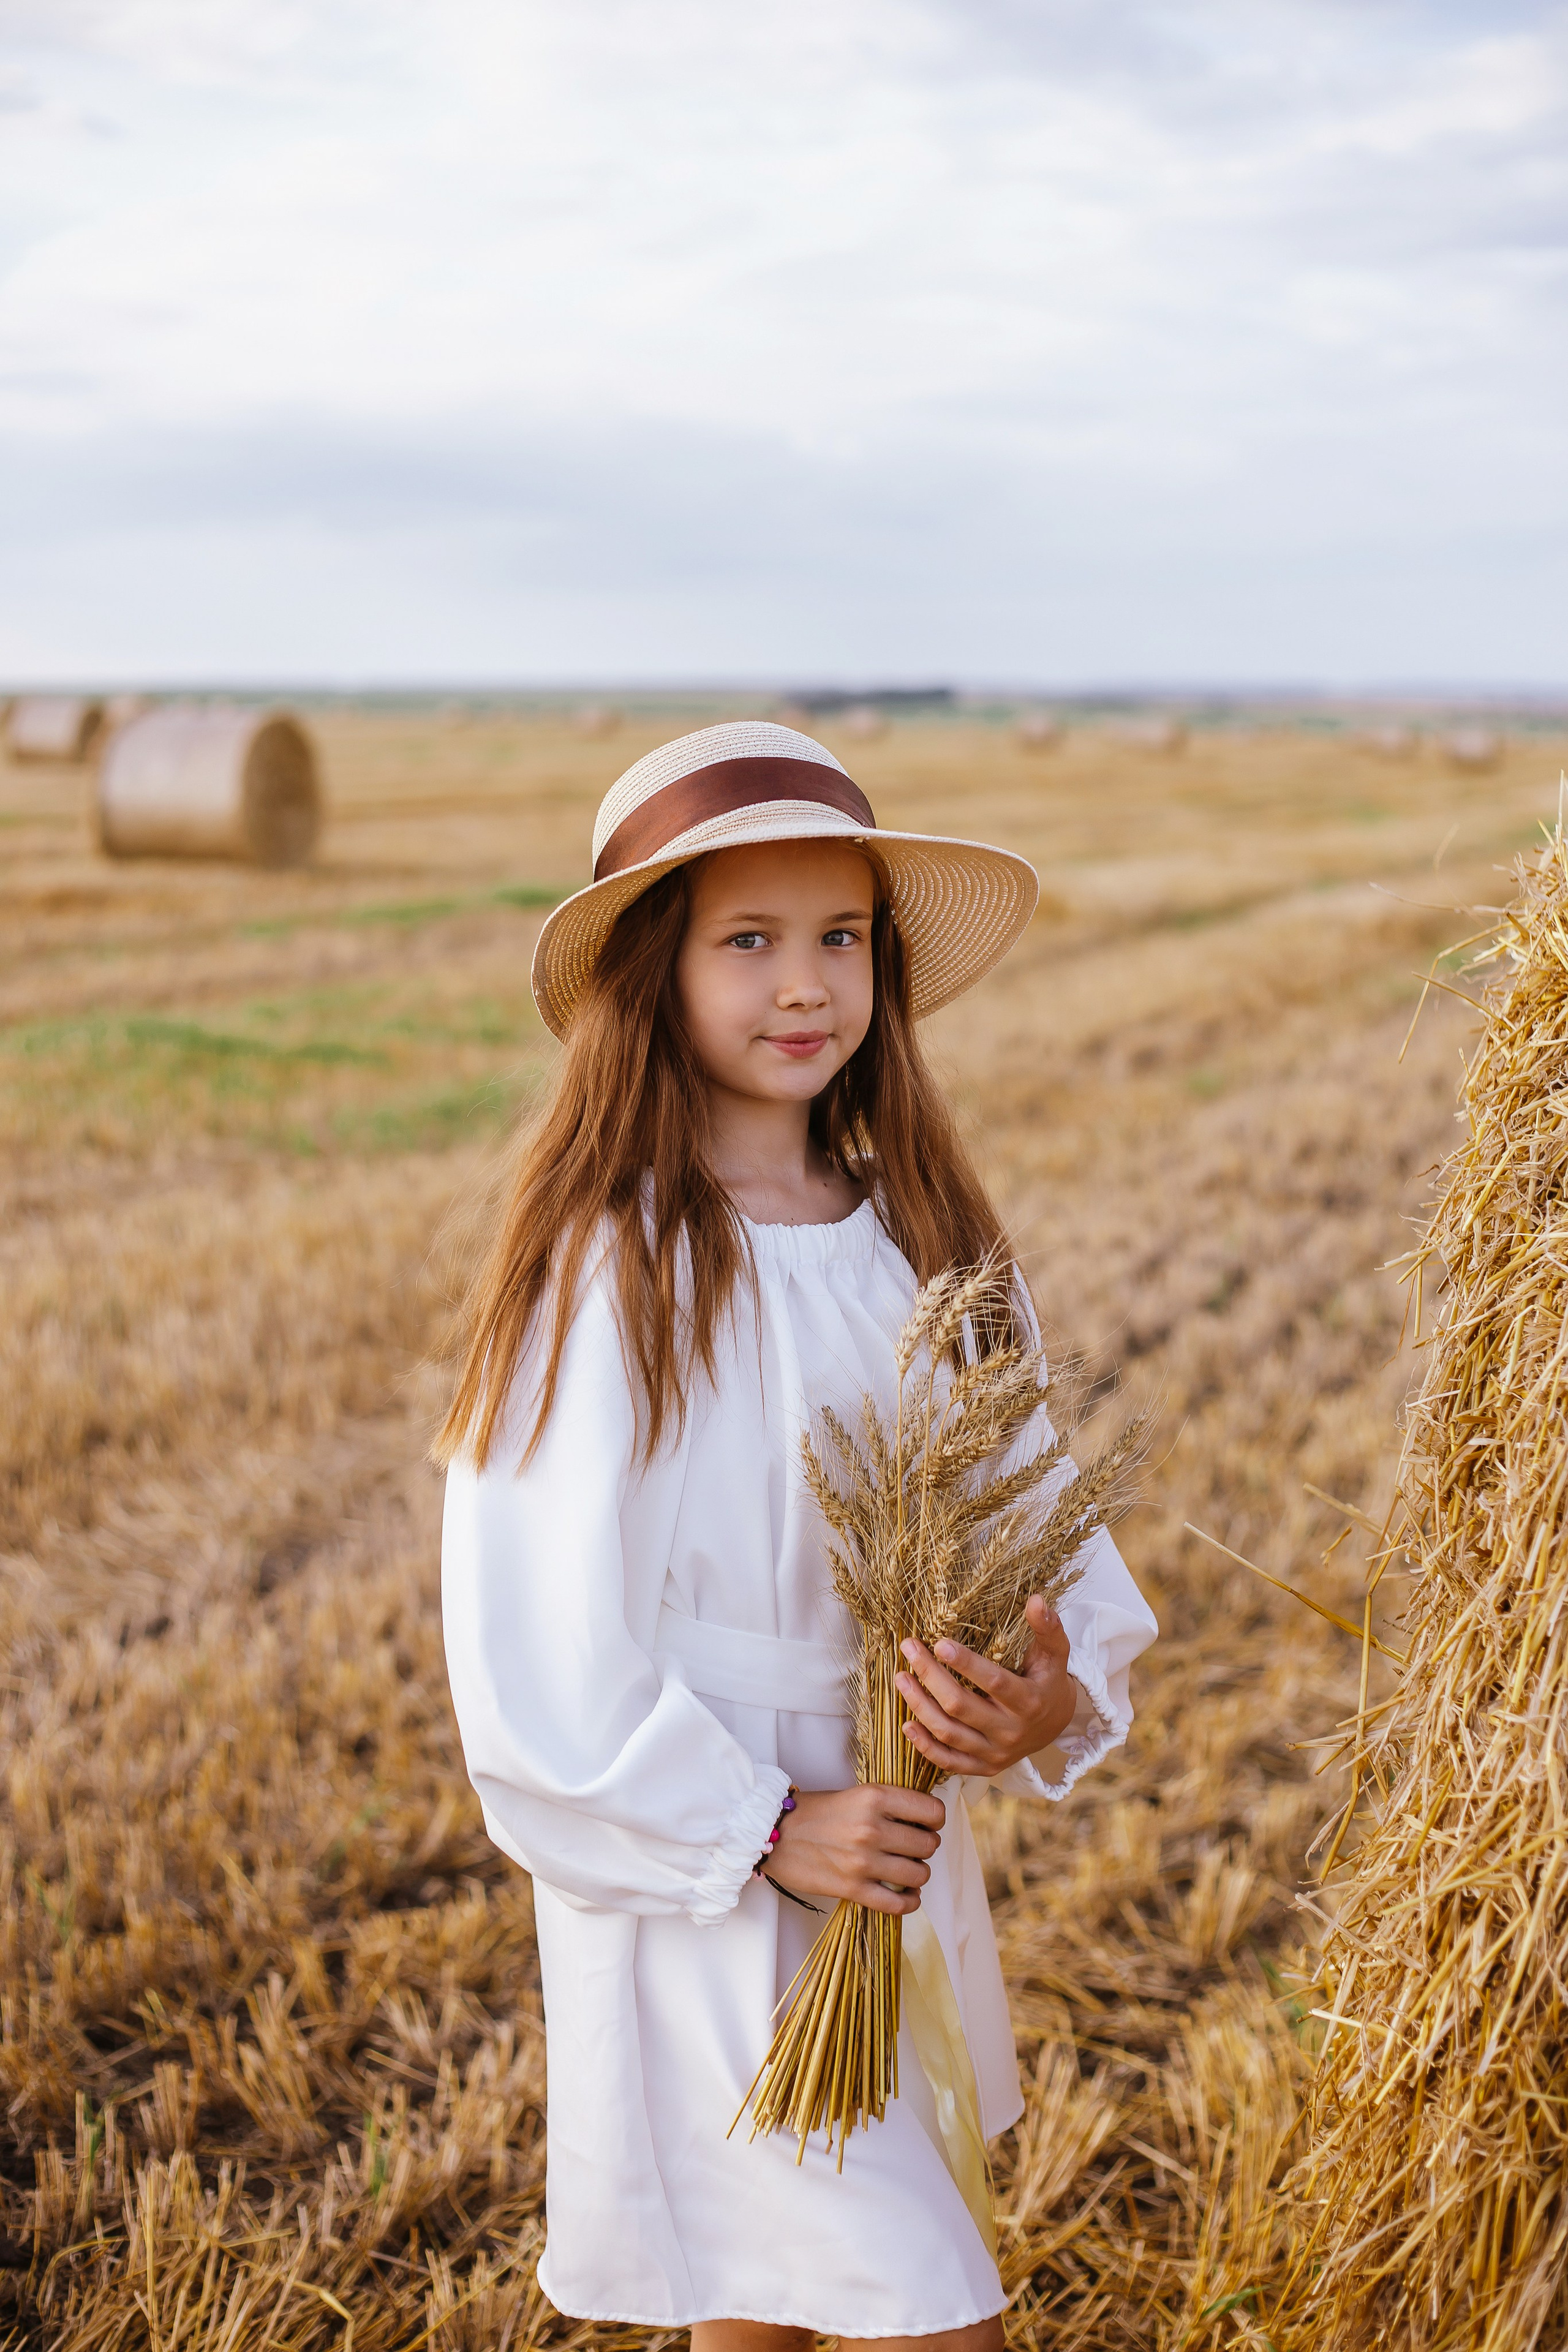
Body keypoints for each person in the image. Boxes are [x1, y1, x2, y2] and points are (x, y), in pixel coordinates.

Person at [438, 720, 1157, 2351]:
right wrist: (768, 1824)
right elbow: (536, 1649)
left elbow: (1043, 1542)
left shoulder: (931, 1244)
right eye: (747, 941)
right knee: (918, 2307)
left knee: (760, 2314)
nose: (805, 983)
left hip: (889, 1840)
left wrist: (1036, 1698)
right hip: (704, 1856)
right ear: (654, 976)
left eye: (840, 937)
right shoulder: (606, 1269)